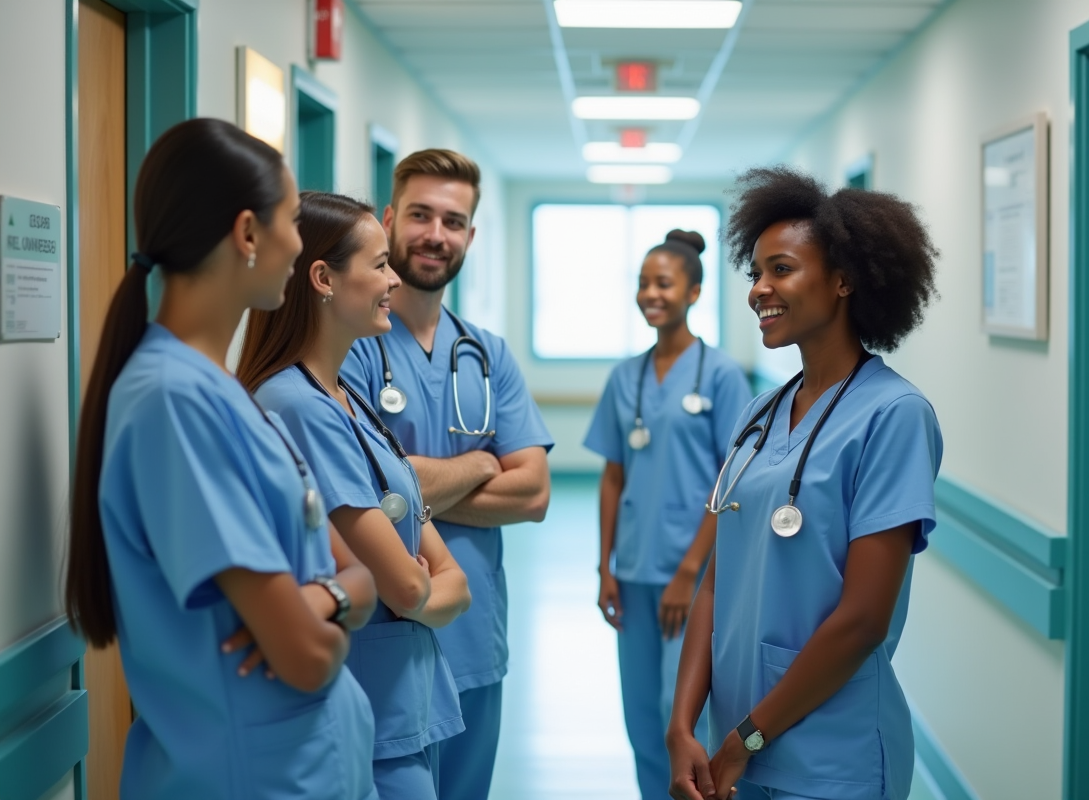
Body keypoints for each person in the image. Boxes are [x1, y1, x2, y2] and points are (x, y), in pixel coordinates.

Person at [64, 119, 379, 800]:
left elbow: (360, 578)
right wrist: (334, 608)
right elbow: (306, 654)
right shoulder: (173, 403)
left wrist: (324, 597)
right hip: (249, 777)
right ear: (246, 234)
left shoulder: (226, 394)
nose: (299, 243)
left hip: (302, 767)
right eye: (292, 220)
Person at [666, 167, 942, 800]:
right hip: (732, 751)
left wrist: (747, 740)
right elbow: (718, 578)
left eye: (781, 270)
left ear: (844, 280)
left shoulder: (894, 416)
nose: (758, 289)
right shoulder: (758, 414)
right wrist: (683, 726)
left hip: (827, 757)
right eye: (755, 273)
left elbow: (863, 621)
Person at [239, 192, 472, 799]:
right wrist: (422, 585)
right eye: (378, 265)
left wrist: (424, 586)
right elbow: (407, 584)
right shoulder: (297, 406)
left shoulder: (346, 398)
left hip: (401, 709)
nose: (393, 279)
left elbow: (452, 585)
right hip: (363, 716)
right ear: (322, 278)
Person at [341, 148, 553, 800]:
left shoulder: (487, 354)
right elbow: (355, 491)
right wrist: (483, 463)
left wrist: (405, 489)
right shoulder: (346, 349)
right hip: (382, 644)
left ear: (470, 235)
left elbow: (536, 494)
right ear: (388, 218)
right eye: (421, 215)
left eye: (453, 221)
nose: (436, 234)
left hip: (473, 640)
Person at [584, 230, 751, 799]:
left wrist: (689, 573)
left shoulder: (722, 376)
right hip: (632, 569)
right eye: (643, 283)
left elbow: (730, 482)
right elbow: (612, 475)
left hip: (693, 573)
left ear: (694, 291)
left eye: (664, 283)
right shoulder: (623, 376)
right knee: (638, 713)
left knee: (674, 711)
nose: (651, 293)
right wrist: (604, 565)